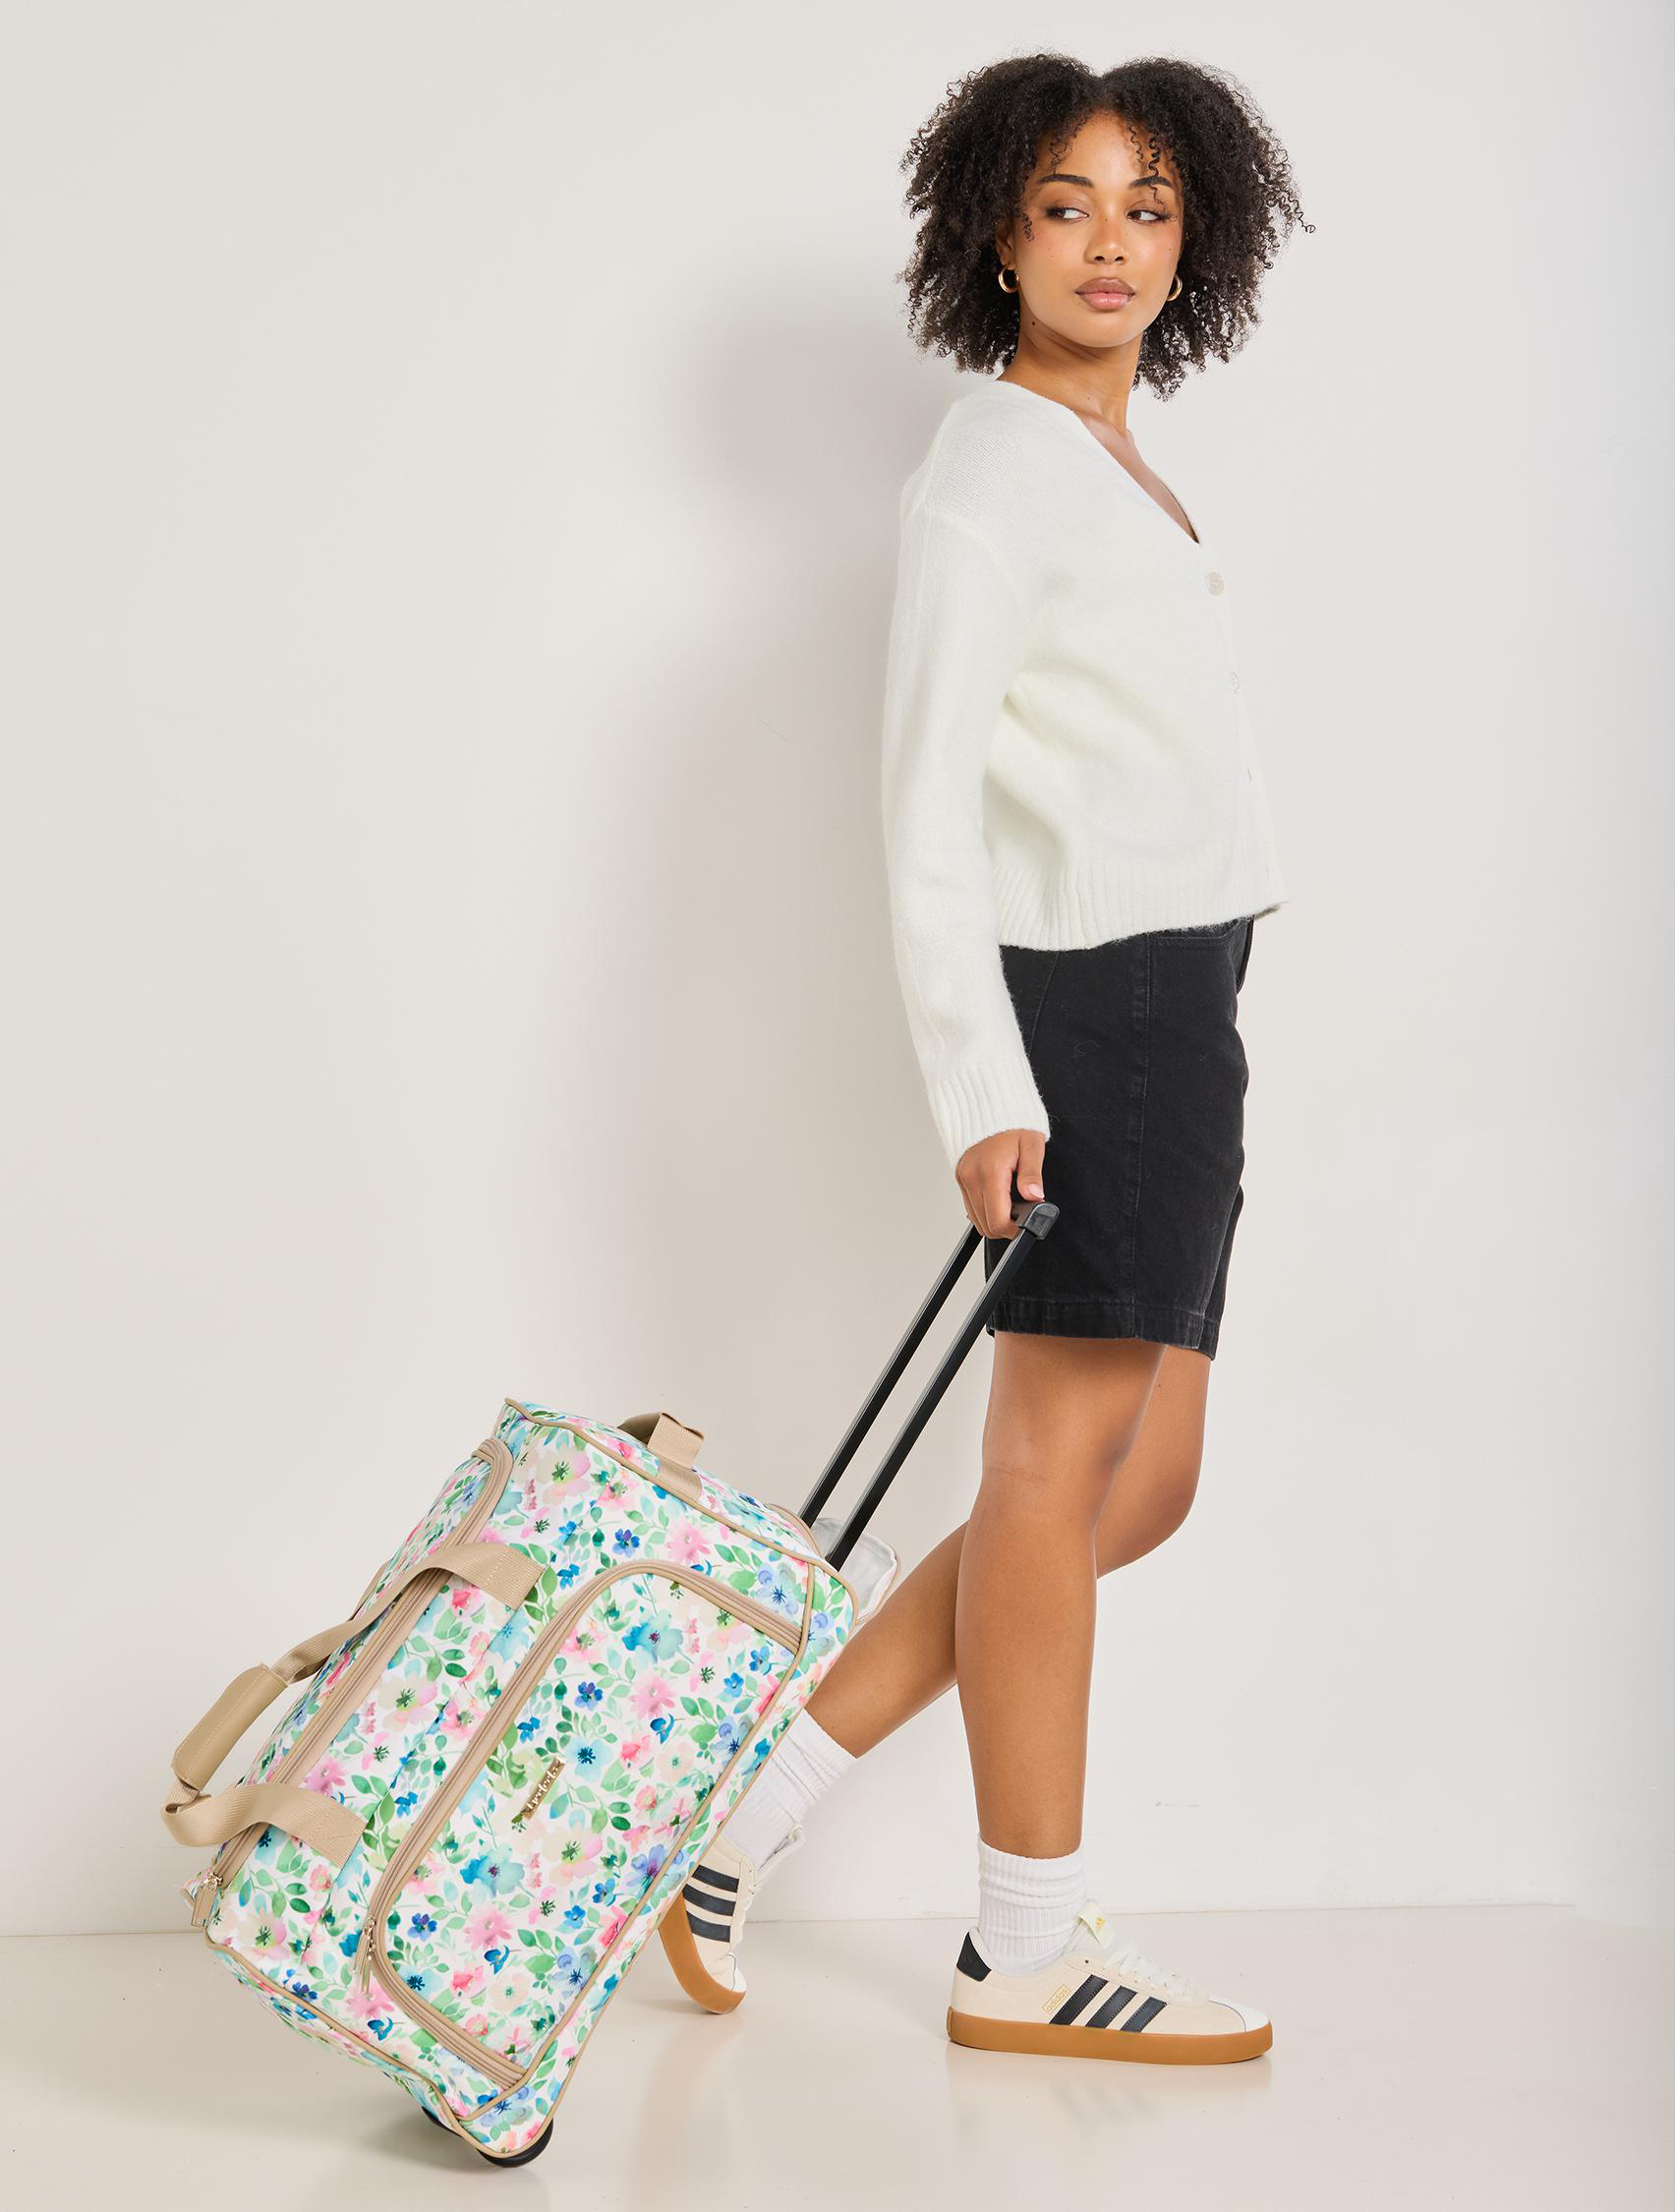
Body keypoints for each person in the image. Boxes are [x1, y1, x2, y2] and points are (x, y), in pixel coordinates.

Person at [684, 54, 1311, 2064]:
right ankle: (1022, 1947)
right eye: (1065, 205)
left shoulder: (1098, 457)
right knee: (1050, 1470)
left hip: (1180, 1004)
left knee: (1145, 1479)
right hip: (1090, 1012)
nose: (1110, 243)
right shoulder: (993, 470)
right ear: (996, 235)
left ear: (1196, 237)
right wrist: (988, 1091)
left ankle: (748, 1799)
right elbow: (924, 813)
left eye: (1147, 206)